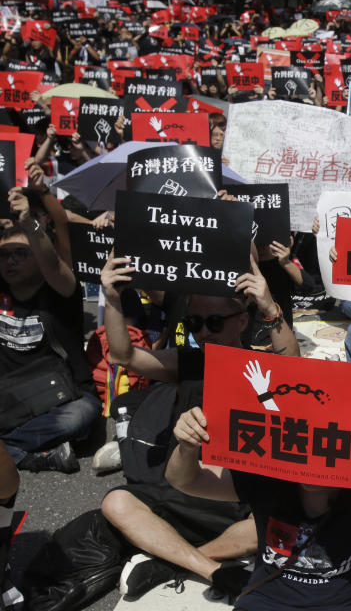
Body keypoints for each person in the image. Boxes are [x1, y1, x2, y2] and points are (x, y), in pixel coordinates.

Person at [98, 249, 300, 599]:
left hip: (238, 495)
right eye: (194, 323)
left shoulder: (259, 365)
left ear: (241, 320)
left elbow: (295, 367)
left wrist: (270, 308)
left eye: (215, 323)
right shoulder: (189, 362)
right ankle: (210, 567)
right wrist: (113, 297)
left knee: (283, 522)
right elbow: (124, 356)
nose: (204, 332)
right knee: (115, 503)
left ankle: (173, 558)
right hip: (186, 485)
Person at [166, 406, 351, 610]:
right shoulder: (266, 478)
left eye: (324, 443)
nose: (313, 462)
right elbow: (184, 480)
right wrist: (187, 447)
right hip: (264, 601)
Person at [0, 187, 100, 473]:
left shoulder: (60, 291)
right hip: (10, 396)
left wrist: (28, 220)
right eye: (4, 255)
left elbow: (54, 264)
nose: (11, 261)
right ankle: (27, 453)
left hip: (59, 397)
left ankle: (10, 449)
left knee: (80, 417)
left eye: (21, 253)